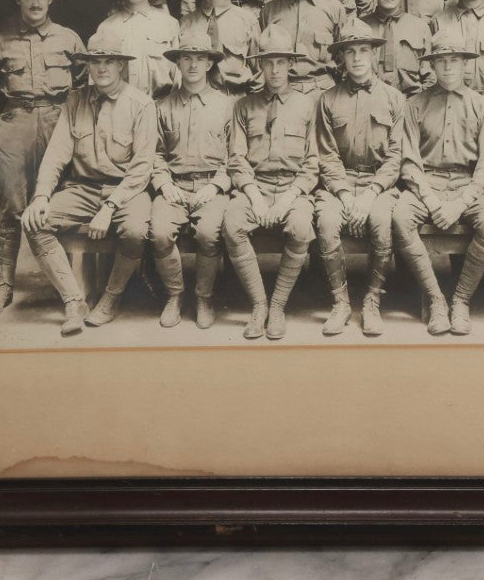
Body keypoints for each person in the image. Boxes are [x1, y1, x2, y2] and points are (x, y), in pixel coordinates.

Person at [20, 34, 156, 337]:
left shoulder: (142, 104)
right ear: (89, 65)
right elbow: (56, 153)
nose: (102, 68)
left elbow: (142, 169)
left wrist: (110, 207)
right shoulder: (75, 100)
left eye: (110, 61)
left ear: (121, 65)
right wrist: (41, 196)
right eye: (96, 61)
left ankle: (111, 297)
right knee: (35, 222)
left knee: (135, 230)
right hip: (83, 188)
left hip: (127, 191)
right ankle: (73, 301)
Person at [0, 0, 85, 316]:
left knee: (61, 199)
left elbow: (85, 86)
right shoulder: (0, 44)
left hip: (60, 121)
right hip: (16, 122)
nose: (36, 1)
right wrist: (15, 116)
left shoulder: (69, 39)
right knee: (12, 202)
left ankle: (71, 287)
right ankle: (5, 285)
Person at [391, 34, 484, 337]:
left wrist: (460, 202)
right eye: (441, 61)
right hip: (426, 185)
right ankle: (436, 299)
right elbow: (409, 161)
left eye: (454, 60)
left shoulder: (483, 106)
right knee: (401, 217)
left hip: (467, 186)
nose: (448, 67)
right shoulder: (415, 104)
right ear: (433, 66)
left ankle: (461, 300)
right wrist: (430, 199)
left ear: (466, 64)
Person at [222, 25, 320, 340]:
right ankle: (259, 305)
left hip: (293, 189)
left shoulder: (308, 105)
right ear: (259, 66)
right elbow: (236, 160)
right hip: (256, 187)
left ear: (291, 63)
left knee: (301, 227)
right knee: (232, 223)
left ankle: (278, 305)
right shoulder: (243, 106)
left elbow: (312, 163)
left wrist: (287, 198)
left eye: (281, 61)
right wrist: (257, 198)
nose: (275, 69)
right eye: (268, 62)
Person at [314, 19, 411, 337]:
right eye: (350, 51)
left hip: (378, 184)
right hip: (339, 184)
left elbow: (396, 157)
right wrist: (344, 195)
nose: (357, 57)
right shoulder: (327, 100)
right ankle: (340, 302)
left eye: (364, 50)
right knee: (327, 222)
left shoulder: (395, 99)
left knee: (382, 221)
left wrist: (369, 195)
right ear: (341, 57)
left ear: (374, 55)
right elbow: (326, 156)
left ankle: (372, 301)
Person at [147, 34, 236, 330]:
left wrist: (215, 186)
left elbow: (234, 157)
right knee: (159, 232)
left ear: (210, 62)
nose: (194, 64)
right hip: (175, 186)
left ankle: (203, 297)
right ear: (177, 63)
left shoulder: (227, 106)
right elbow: (155, 154)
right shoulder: (163, 107)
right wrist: (164, 184)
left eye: (200, 58)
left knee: (209, 232)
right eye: (186, 58)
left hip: (212, 187)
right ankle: (175, 295)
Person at [92, 0, 180, 99]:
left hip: (159, 109)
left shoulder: (169, 25)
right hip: (119, 109)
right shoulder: (106, 28)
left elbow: (179, 78)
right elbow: (95, 81)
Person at [177, 0, 261, 96]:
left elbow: (259, 73)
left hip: (235, 101)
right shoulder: (186, 23)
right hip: (195, 103)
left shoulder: (247, 21)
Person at [361, 0, 433, 95]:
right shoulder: (361, 27)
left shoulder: (420, 28)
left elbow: (430, 77)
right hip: (371, 101)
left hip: (411, 102)